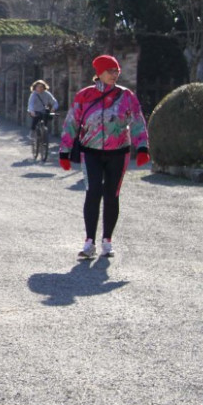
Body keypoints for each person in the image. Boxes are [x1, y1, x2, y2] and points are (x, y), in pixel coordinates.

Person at [58, 55, 150, 258]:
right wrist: (64, 150)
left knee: (112, 194)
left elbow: (137, 120)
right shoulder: (84, 95)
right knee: (92, 192)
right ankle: (89, 242)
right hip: (90, 151)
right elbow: (71, 122)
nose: (114, 74)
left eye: (116, 71)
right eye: (110, 71)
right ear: (99, 73)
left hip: (118, 152)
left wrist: (142, 147)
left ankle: (107, 240)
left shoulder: (126, 96)